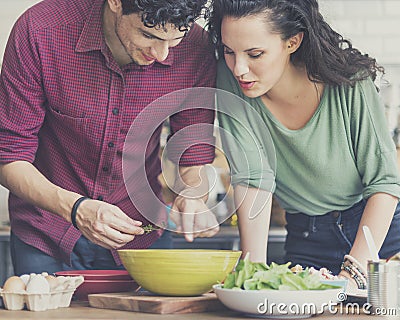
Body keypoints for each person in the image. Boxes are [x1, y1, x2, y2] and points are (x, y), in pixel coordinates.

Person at [0, 0, 220, 275]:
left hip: (141, 235)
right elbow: (9, 156)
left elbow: (193, 152)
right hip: (47, 232)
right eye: (148, 35)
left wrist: (192, 194)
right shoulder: (41, 30)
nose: (162, 54)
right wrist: (75, 208)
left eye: (175, 39)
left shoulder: (197, 49)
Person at [207, 0, 400, 291]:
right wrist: (252, 273)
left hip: (381, 237)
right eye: (229, 51)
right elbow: (253, 179)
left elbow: (384, 183)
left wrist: (354, 275)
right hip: (308, 240)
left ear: (292, 42)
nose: (239, 68)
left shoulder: (349, 82)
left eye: (255, 53)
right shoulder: (230, 80)